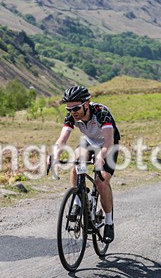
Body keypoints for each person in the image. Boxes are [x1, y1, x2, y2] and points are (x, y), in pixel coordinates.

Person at [48, 85, 120, 244]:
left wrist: (101, 156)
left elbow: (108, 140)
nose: (73, 112)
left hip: (109, 144)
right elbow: (62, 139)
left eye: (76, 108)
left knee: (101, 183)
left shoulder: (101, 112)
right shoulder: (71, 116)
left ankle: (109, 222)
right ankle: (78, 200)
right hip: (90, 142)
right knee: (76, 160)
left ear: (87, 104)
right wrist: (54, 155)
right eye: (69, 108)